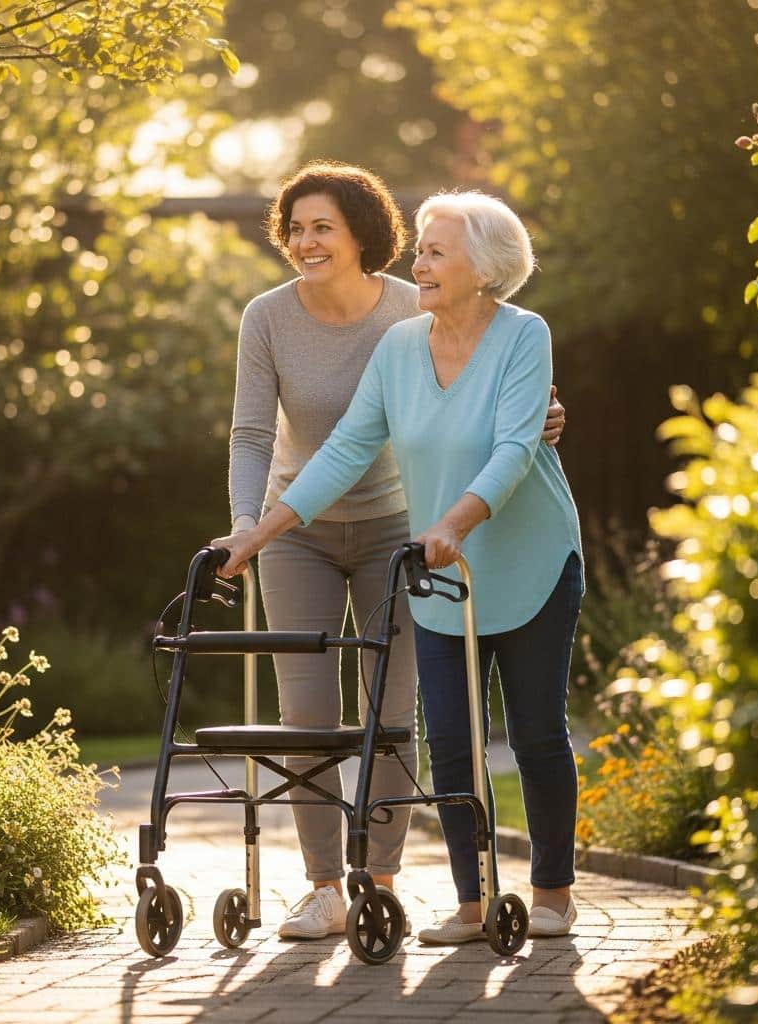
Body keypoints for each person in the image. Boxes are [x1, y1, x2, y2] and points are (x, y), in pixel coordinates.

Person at [223, 165, 567, 941]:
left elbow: (507, 418)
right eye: (296, 226)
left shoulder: (456, 316)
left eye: (323, 228)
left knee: (430, 716)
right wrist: (255, 525)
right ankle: (342, 890)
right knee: (334, 717)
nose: (305, 241)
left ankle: (401, 880)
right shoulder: (296, 323)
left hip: (415, 531)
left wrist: (537, 424)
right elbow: (307, 440)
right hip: (331, 529)